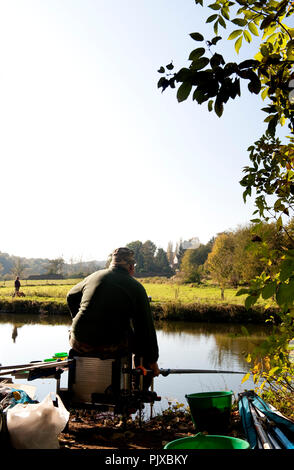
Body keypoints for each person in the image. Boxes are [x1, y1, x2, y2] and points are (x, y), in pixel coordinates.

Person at [67, 247, 160, 378]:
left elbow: (70, 296)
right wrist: (152, 360)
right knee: (138, 340)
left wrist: (76, 318)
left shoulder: (93, 276)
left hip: (79, 341)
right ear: (131, 267)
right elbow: (146, 329)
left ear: (112, 263)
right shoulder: (136, 287)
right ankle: (137, 382)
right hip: (111, 345)